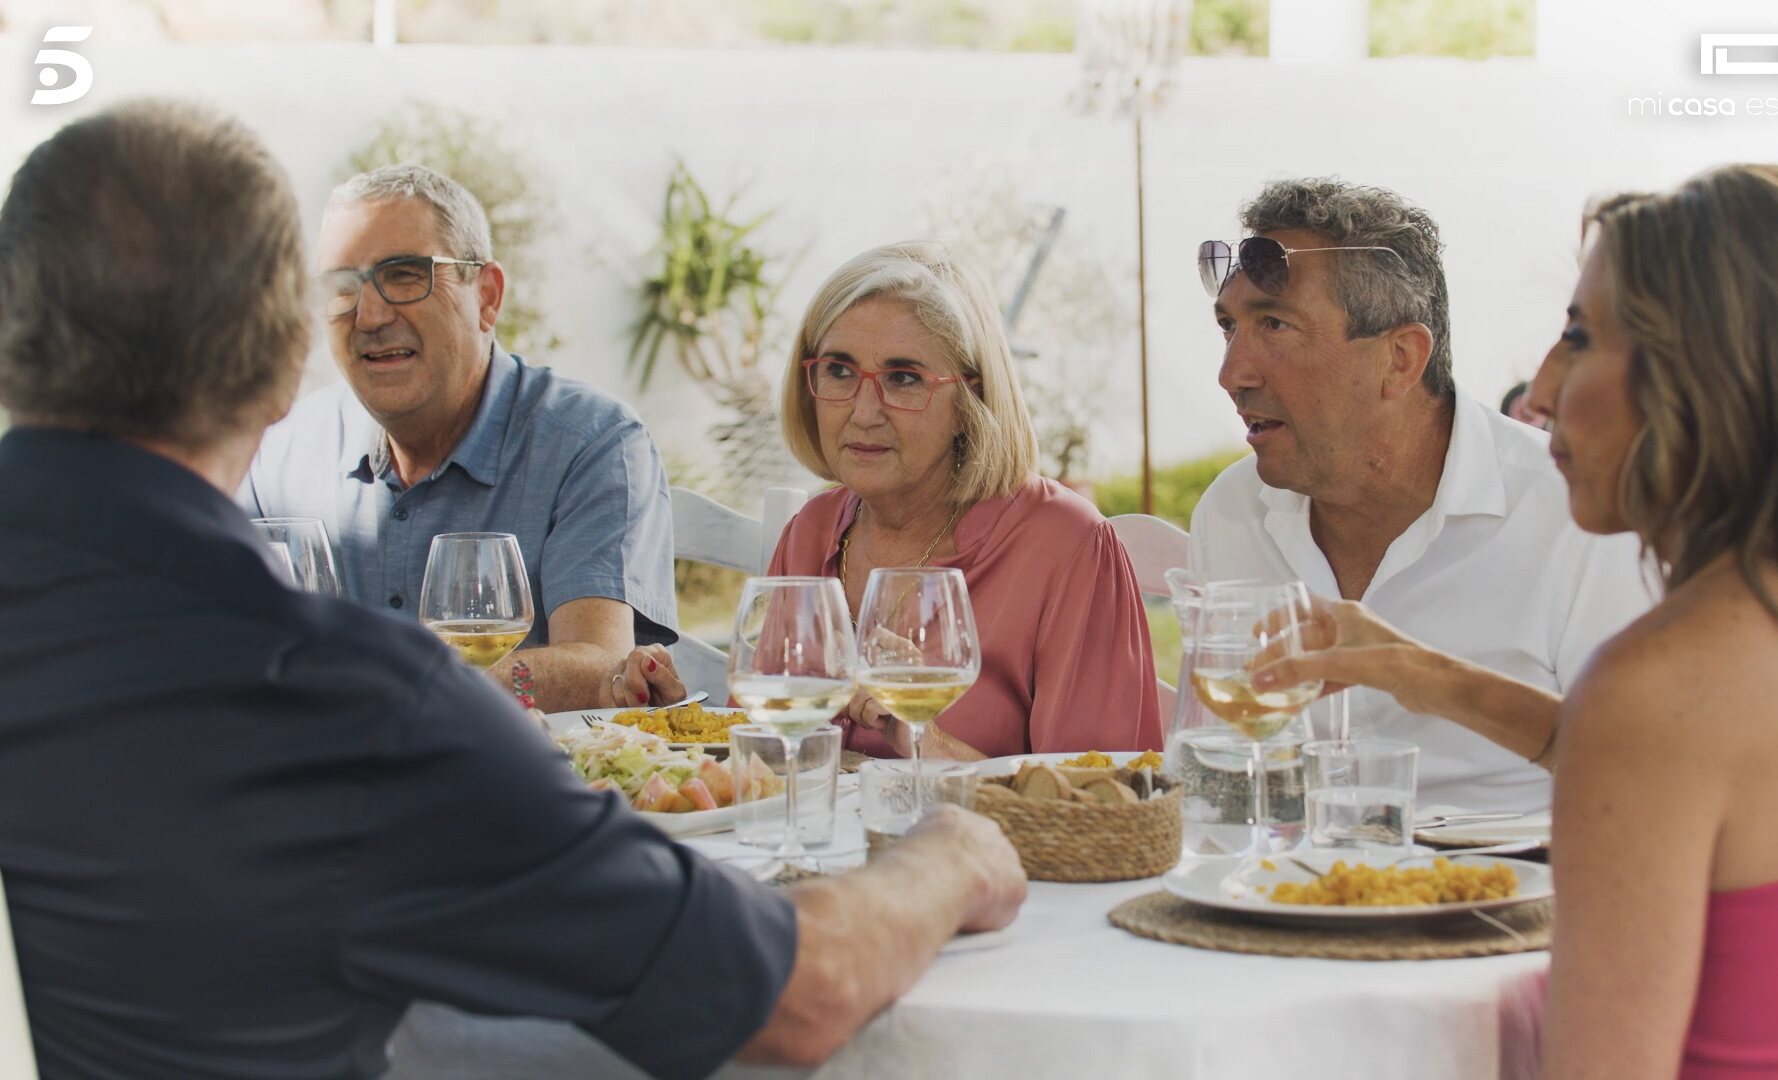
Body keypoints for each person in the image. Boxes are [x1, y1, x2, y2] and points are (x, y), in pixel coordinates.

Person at [0, 100, 1024, 1080]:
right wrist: (953, 854)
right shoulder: (349, 705)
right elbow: (794, 994)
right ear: (284, 363)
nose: (368, 314)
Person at [1257, 165, 1778, 1077]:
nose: (1546, 382)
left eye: (1580, 335)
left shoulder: (1659, 689)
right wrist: (1412, 668)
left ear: (1702, 378)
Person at [1191, 177, 1652, 810]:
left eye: (1274, 324)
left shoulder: (1575, 513)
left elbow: (1644, 776)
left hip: (1517, 893)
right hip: (1292, 889)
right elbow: (1229, 774)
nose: (1232, 374)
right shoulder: (1232, 512)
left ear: (1401, 360)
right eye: (1228, 328)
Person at [241, 164, 683, 712]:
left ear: (488, 297)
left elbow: (599, 663)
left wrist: (387, 688)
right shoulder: (276, 450)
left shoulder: (592, 444)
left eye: (405, 275)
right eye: (341, 286)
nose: (370, 315)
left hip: (510, 786)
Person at [764, 241, 1162, 759]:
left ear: (969, 401)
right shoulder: (812, 530)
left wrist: (918, 735)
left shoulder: (1064, 544)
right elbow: (755, 760)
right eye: (839, 370)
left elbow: (1100, 810)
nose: (864, 412)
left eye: (903, 379)